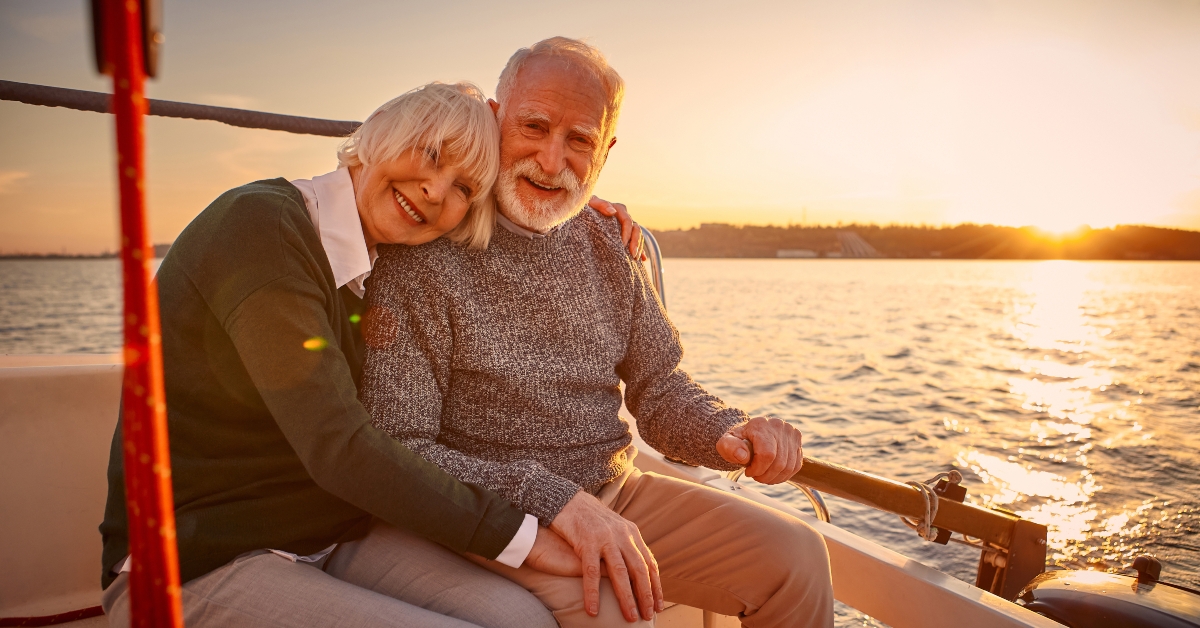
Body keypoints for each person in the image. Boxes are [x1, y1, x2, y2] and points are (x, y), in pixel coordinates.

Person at [98, 81, 646, 628]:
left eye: (462, 188)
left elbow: (526, 157)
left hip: (329, 533)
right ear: (380, 130)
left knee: (523, 620)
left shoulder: (381, 266)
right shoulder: (260, 227)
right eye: (430, 154)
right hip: (195, 556)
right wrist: (519, 536)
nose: (435, 190)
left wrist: (576, 207)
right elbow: (339, 446)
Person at [362, 38, 836, 628]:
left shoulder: (608, 243)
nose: (553, 160)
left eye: (579, 140)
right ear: (493, 117)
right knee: (613, 606)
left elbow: (659, 387)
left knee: (798, 559)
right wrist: (550, 499)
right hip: (487, 514)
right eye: (533, 126)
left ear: (605, 152)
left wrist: (729, 432)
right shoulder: (422, 250)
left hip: (616, 493)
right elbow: (398, 444)